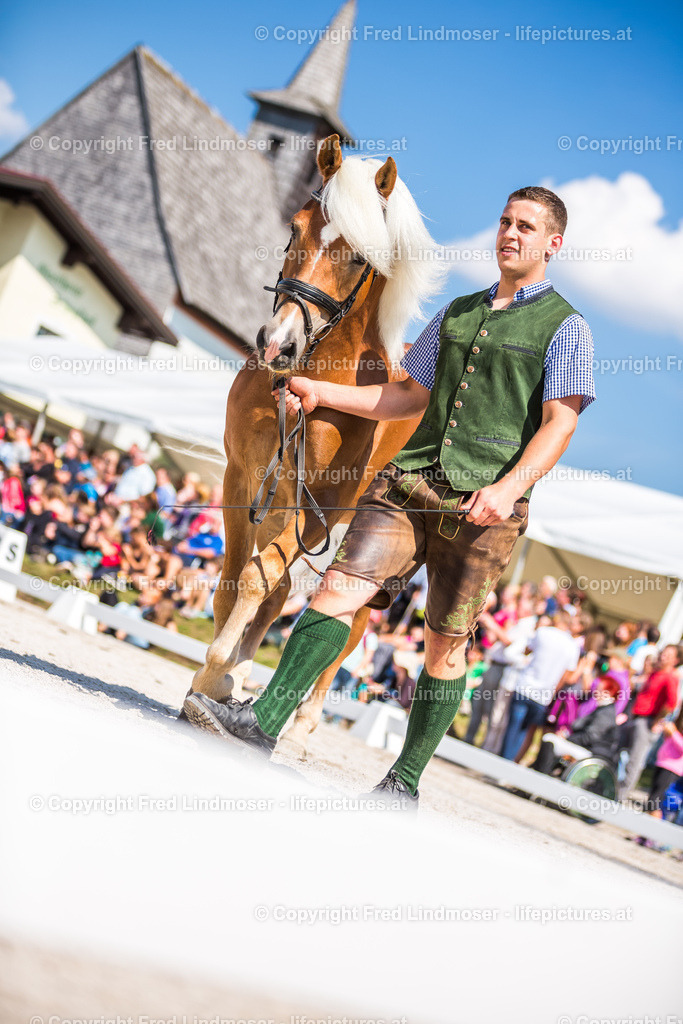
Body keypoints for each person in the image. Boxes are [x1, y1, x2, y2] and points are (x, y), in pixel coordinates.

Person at [181, 184, 596, 805]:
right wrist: (325, 394)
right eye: (506, 221)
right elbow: (405, 397)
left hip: (484, 508)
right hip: (411, 481)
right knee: (335, 590)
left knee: (444, 643)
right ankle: (262, 723)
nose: (511, 234)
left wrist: (508, 490)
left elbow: (561, 422)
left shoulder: (567, 327)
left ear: (552, 244)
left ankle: (404, 781)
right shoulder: (456, 312)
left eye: (527, 228)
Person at [501, 611, 580, 762]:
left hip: (524, 686)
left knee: (512, 728)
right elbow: (567, 675)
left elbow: (527, 650)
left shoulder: (543, 632)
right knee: (525, 731)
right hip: (543, 695)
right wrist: (553, 692)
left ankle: (503, 761)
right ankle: (509, 765)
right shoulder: (572, 646)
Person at [619, 644, 680, 799]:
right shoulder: (656, 672)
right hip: (636, 717)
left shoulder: (671, 677)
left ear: (676, 660)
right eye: (663, 653)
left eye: (668, 655)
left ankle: (620, 796)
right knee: (620, 751)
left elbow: (671, 703)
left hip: (647, 721)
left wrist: (657, 721)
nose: (662, 657)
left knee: (635, 760)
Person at [532, 673, 621, 775]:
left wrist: (567, 738)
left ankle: (542, 776)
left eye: (599, 689)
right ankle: (538, 772)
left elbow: (590, 737)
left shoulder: (606, 713)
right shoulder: (602, 709)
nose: (596, 691)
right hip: (587, 747)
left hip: (592, 752)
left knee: (550, 740)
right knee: (551, 738)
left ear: (609, 692)